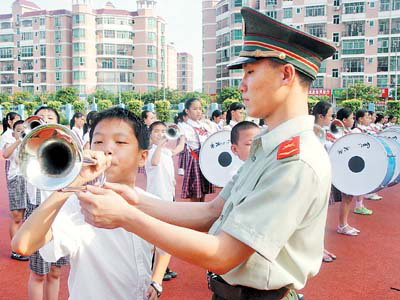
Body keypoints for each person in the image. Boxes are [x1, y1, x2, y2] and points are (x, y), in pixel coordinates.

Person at [74, 8, 335, 300]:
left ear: (286, 74)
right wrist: (134, 201)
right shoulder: (269, 147)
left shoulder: (294, 159)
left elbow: (224, 254)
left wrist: (126, 217)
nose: (242, 85)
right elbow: (212, 211)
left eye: (250, 72)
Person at [12, 107, 161, 300]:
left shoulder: (153, 204)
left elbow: (162, 248)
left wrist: (156, 281)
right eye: (98, 141)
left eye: (120, 141)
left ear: (142, 157)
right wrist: (75, 181)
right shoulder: (80, 204)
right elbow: (22, 245)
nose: (107, 149)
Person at [145, 121, 185, 283]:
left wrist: (181, 135)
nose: (161, 134)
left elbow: (178, 149)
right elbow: (154, 162)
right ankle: (153, 269)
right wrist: (161, 144)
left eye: (163, 131)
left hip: (168, 197)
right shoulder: (150, 152)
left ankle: (163, 267)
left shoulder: (166, 152)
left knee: (164, 234)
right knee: (155, 236)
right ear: (150, 135)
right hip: (155, 198)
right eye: (156, 131)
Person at [178, 98, 215, 202]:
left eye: (200, 108)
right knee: (195, 193)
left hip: (206, 160)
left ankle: (202, 215)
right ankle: (195, 216)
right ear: (187, 110)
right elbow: (181, 144)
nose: (199, 111)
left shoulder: (205, 125)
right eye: (195, 109)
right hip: (195, 161)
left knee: (203, 192)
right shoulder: (184, 126)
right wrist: (170, 153)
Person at [2, 119, 29, 261]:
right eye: (19, 130)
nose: (22, 132)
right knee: (17, 216)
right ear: (13, 132)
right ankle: (15, 250)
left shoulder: (31, 141)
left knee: (28, 216)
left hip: (30, 179)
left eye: (24, 129)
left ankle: (25, 246)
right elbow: (6, 154)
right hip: (17, 179)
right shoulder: (10, 140)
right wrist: (19, 140)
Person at [332, 108, 361, 236]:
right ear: (344, 120)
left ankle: (343, 224)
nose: (353, 120)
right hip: (335, 171)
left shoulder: (348, 132)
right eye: (351, 118)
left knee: (348, 196)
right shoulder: (334, 132)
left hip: (346, 169)